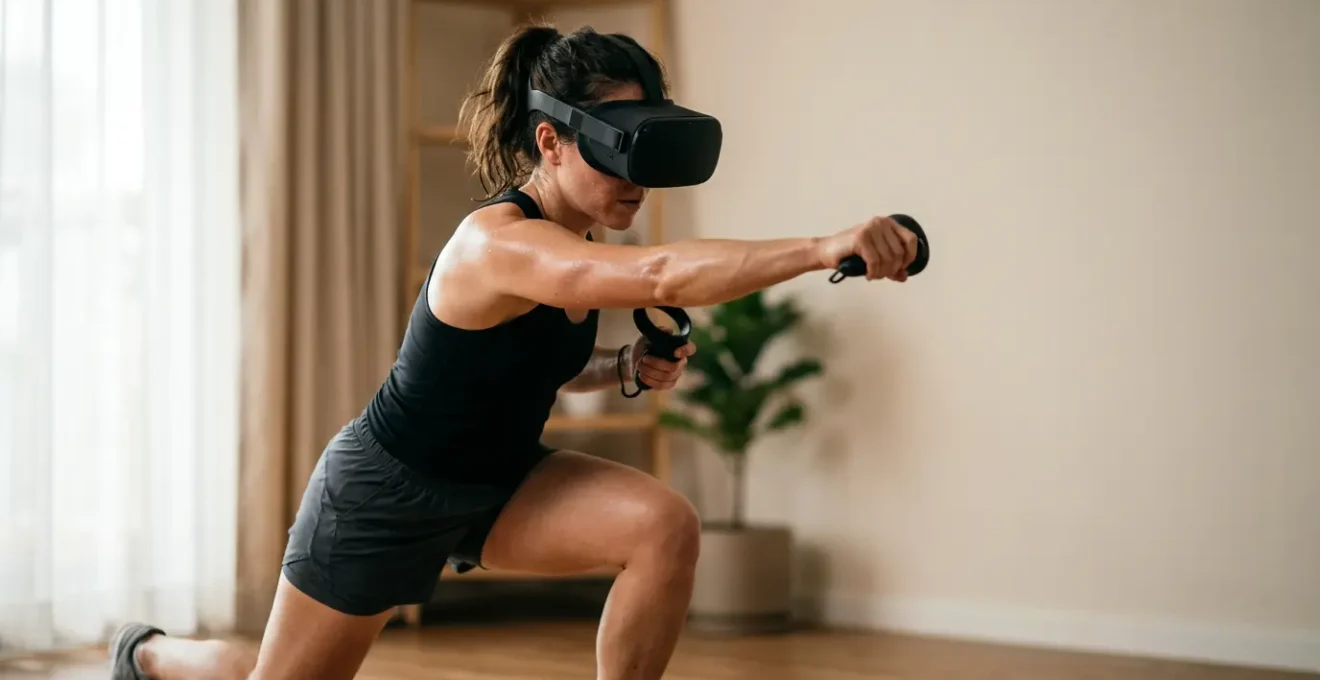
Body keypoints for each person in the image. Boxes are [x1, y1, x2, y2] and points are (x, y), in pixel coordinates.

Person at [109, 22, 918, 680]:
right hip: (383, 495)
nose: (636, 180)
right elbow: (665, 272)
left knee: (663, 525)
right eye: (617, 147)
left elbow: (538, 369)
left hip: (498, 483)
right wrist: (822, 246)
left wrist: (622, 368)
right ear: (551, 141)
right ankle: (148, 657)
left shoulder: (575, 242)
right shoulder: (495, 246)